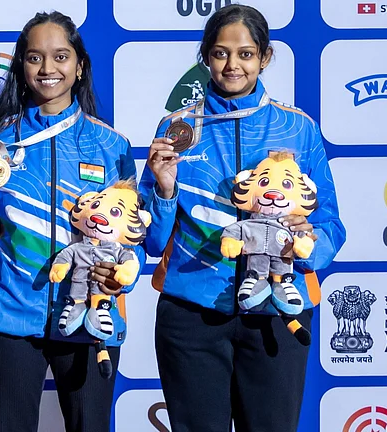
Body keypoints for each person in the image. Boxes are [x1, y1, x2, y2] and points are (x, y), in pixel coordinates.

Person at [138, 5, 346, 432]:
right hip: (192, 314)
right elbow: (154, 242)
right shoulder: (178, 128)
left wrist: (305, 246)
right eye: (219, 53)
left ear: (265, 57)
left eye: (246, 54)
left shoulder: (297, 128)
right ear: (205, 57)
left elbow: (330, 223)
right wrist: (162, 189)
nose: (232, 65)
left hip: (278, 310)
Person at [0, 11, 142, 432]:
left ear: (79, 67)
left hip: (89, 315)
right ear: (21, 67)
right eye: (35, 58)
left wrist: (120, 279)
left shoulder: (111, 145)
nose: (48, 68)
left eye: (60, 56)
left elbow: (130, 240)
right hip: (9, 316)